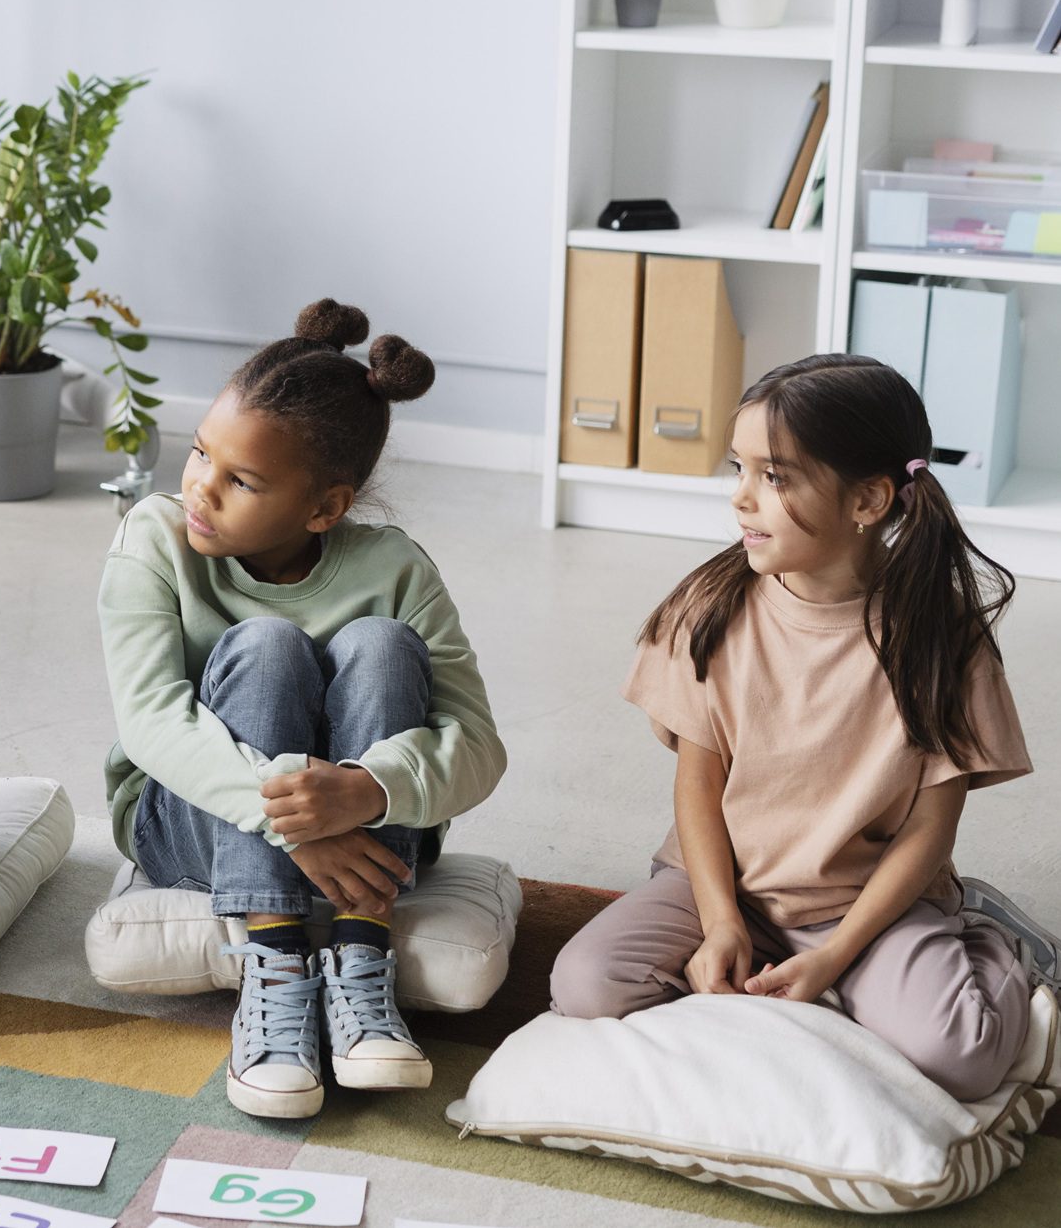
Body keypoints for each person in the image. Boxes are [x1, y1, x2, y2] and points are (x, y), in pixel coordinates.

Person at [550, 354, 1050, 1103]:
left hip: (868, 902)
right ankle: (803, 969)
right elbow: (697, 782)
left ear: (870, 499)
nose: (742, 499)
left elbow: (928, 830)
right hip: (719, 882)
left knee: (963, 1056)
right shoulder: (711, 608)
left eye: (775, 478)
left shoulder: (942, 640)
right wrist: (722, 922)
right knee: (585, 985)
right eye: (739, 469)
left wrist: (841, 952)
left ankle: (995, 937)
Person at [101, 300, 507, 1120]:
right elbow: (152, 722)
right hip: (190, 823)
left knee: (384, 643)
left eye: (240, 481)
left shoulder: (396, 566)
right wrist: (298, 819)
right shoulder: (155, 536)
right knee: (267, 647)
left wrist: (367, 789)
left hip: (370, 842)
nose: (200, 490)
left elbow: (480, 747)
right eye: (199, 453)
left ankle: (361, 957)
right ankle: (275, 964)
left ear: (325, 508)